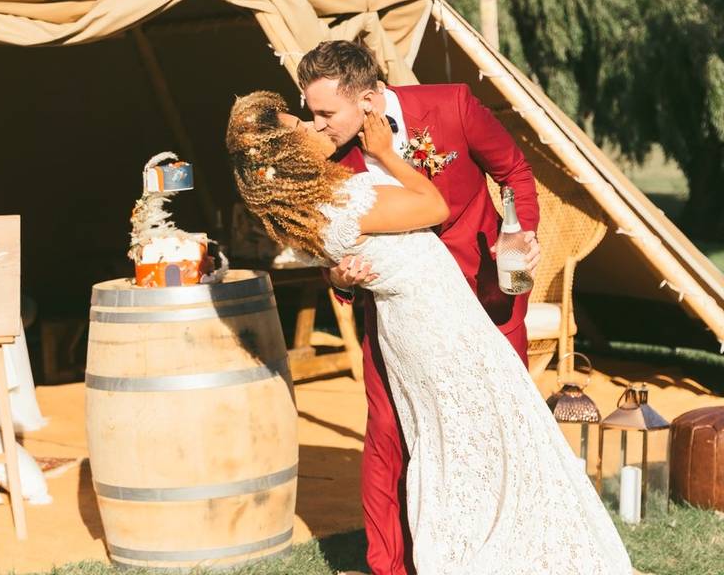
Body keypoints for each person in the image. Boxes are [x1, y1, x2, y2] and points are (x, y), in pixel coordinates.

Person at [226, 91, 632, 575]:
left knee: (455, 439)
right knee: (485, 433)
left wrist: (339, 276)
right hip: (440, 327)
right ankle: (485, 552)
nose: (315, 128)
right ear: (288, 155)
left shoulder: (307, 209)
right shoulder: (343, 198)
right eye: (301, 125)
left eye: (316, 117)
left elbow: (347, 259)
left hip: (426, 323)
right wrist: (385, 155)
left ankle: (485, 540)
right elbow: (434, 205)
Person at [298, 41, 540, 574]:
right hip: (399, 315)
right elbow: (333, 246)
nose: (313, 125)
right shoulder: (331, 158)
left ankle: (509, 548)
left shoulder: (452, 105)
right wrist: (338, 278)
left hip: (486, 294)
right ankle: (391, 565)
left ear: (368, 100)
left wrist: (521, 233)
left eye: (323, 113)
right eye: (307, 110)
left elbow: (515, 173)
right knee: (388, 434)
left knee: (501, 424)